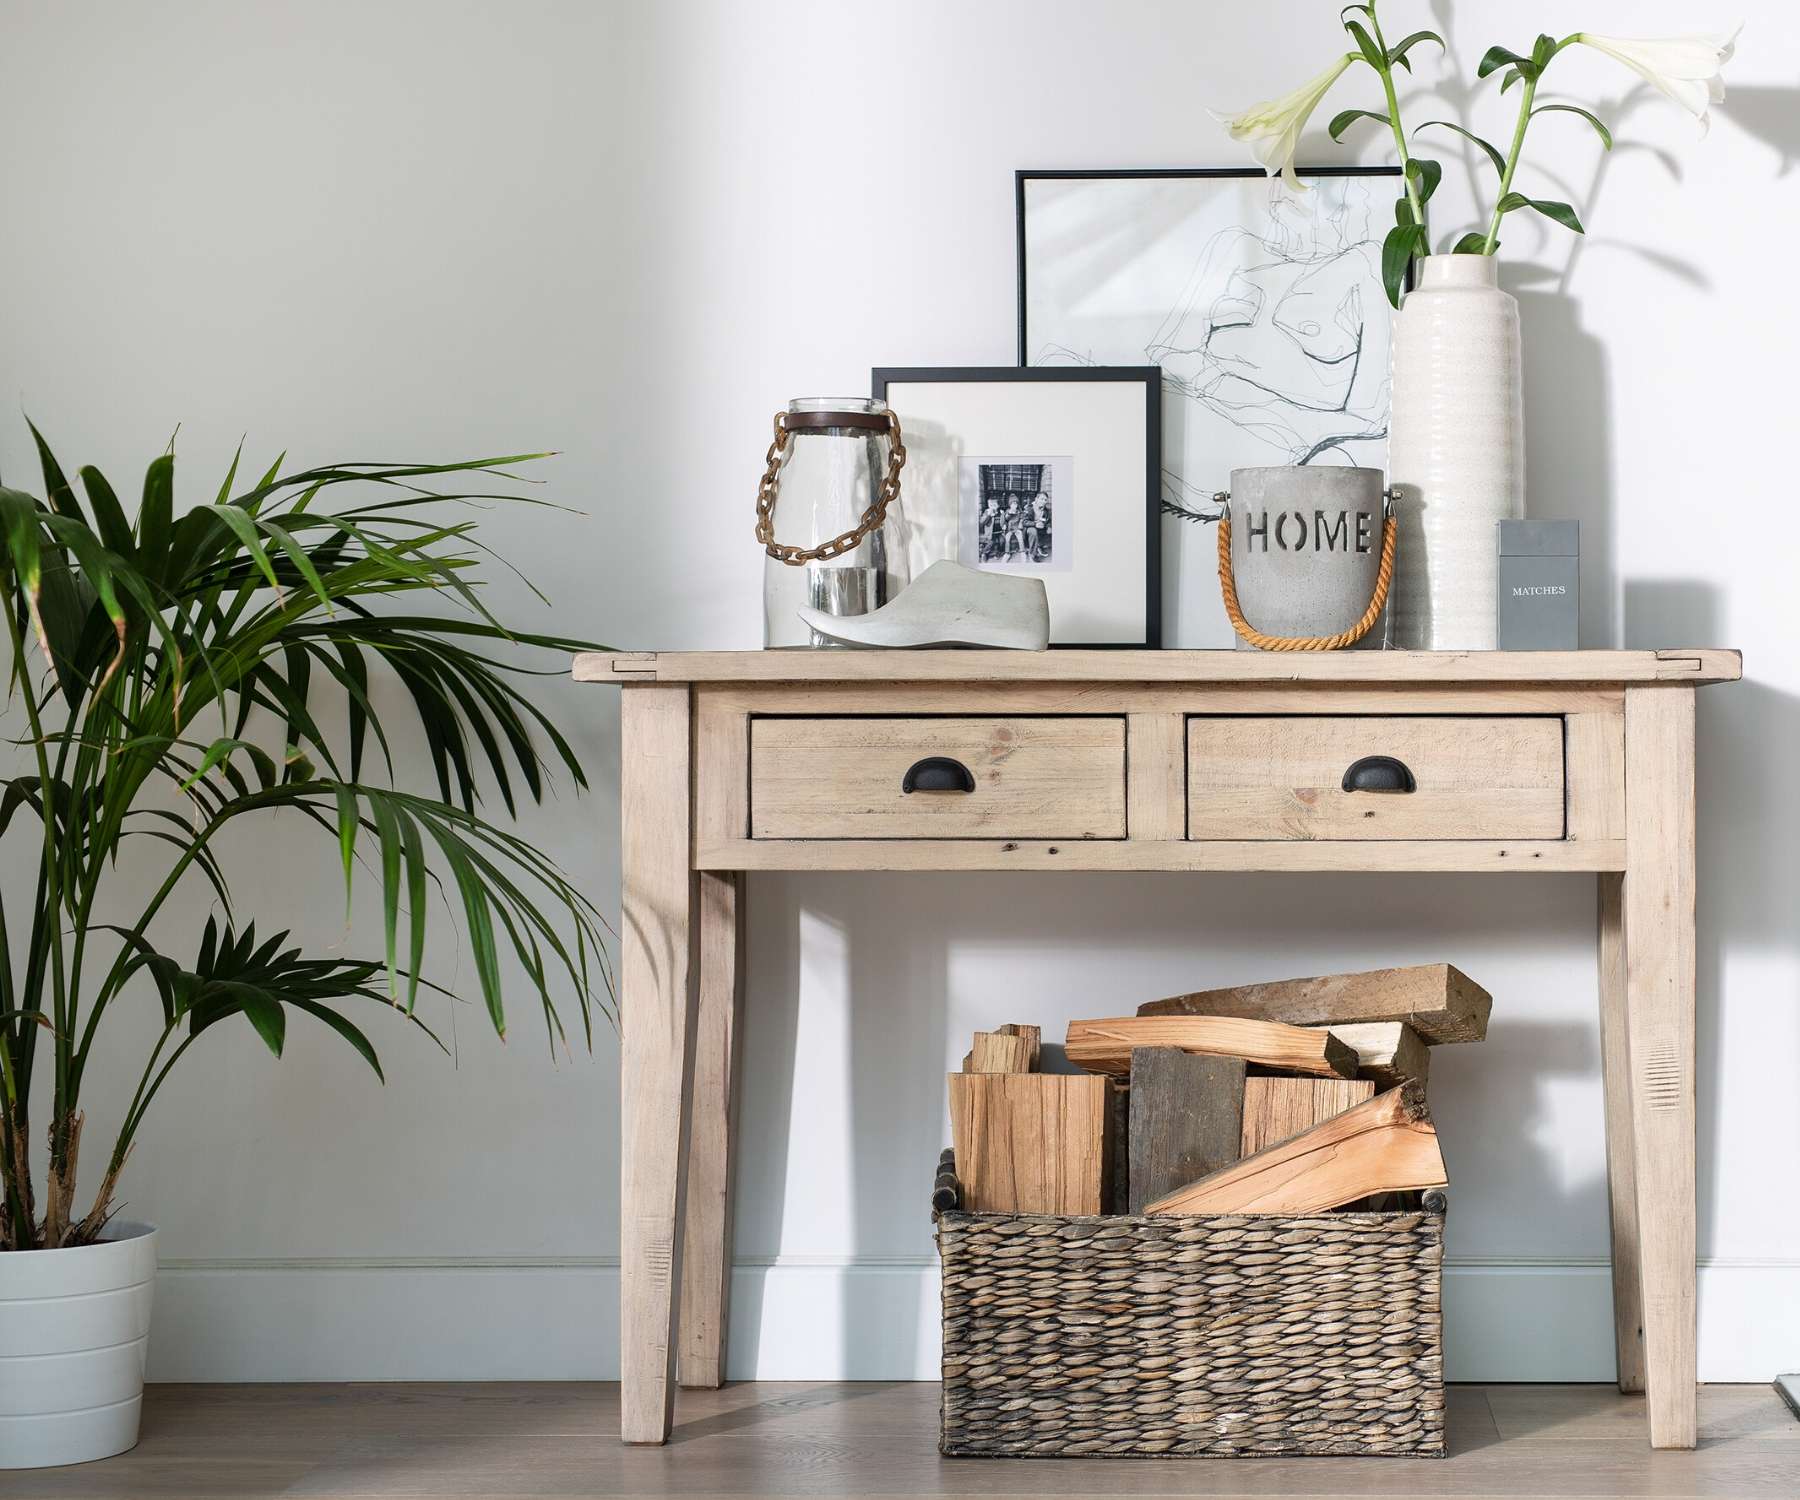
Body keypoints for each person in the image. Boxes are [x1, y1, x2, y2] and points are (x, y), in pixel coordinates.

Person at [1028, 490, 1051, 562]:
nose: (1044, 501)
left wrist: (1049, 526)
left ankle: (1039, 547)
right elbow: (1024, 522)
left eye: (1045, 500)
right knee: (1033, 531)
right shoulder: (1029, 508)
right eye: (1042, 499)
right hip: (1030, 528)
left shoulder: (1046, 510)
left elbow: (1048, 520)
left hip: (1040, 528)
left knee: (1045, 528)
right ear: (1036, 499)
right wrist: (1035, 524)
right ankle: (1032, 554)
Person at [1002, 496, 1026, 561]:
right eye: (1012, 504)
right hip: (1010, 528)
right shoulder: (1008, 511)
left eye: (1016, 504)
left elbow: (1022, 517)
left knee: (1020, 537)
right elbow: (1006, 518)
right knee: (1007, 538)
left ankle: (1022, 551)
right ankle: (1007, 553)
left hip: (1017, 528)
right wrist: (1009, 514)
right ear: (1010, 505)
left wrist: (1021, 522)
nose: (1014, 505)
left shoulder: (1019, 511)